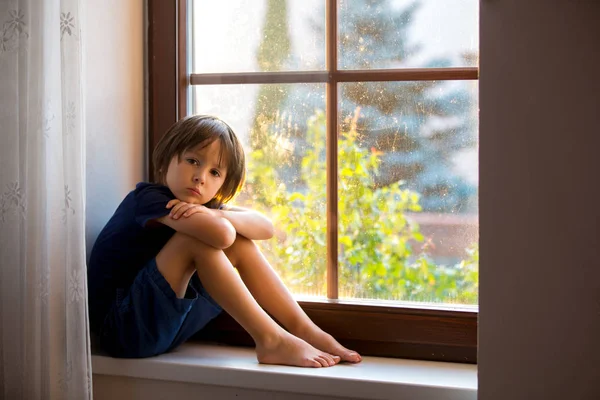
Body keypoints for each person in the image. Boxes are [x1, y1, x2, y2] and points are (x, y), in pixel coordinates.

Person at [88, 115, 362, 368]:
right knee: (195, 240)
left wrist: (214, 212)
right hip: (122, 329)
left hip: (167, 329)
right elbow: (222, 234)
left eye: (215, 173)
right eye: (193, 161)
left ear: (224, 185)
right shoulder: (148, 199)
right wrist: (217, 218)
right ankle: (271, 339)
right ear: (166, 160)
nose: (200, 177)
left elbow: (265, 227)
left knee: (239, 242)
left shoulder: (204, 209)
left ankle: (304, 329)